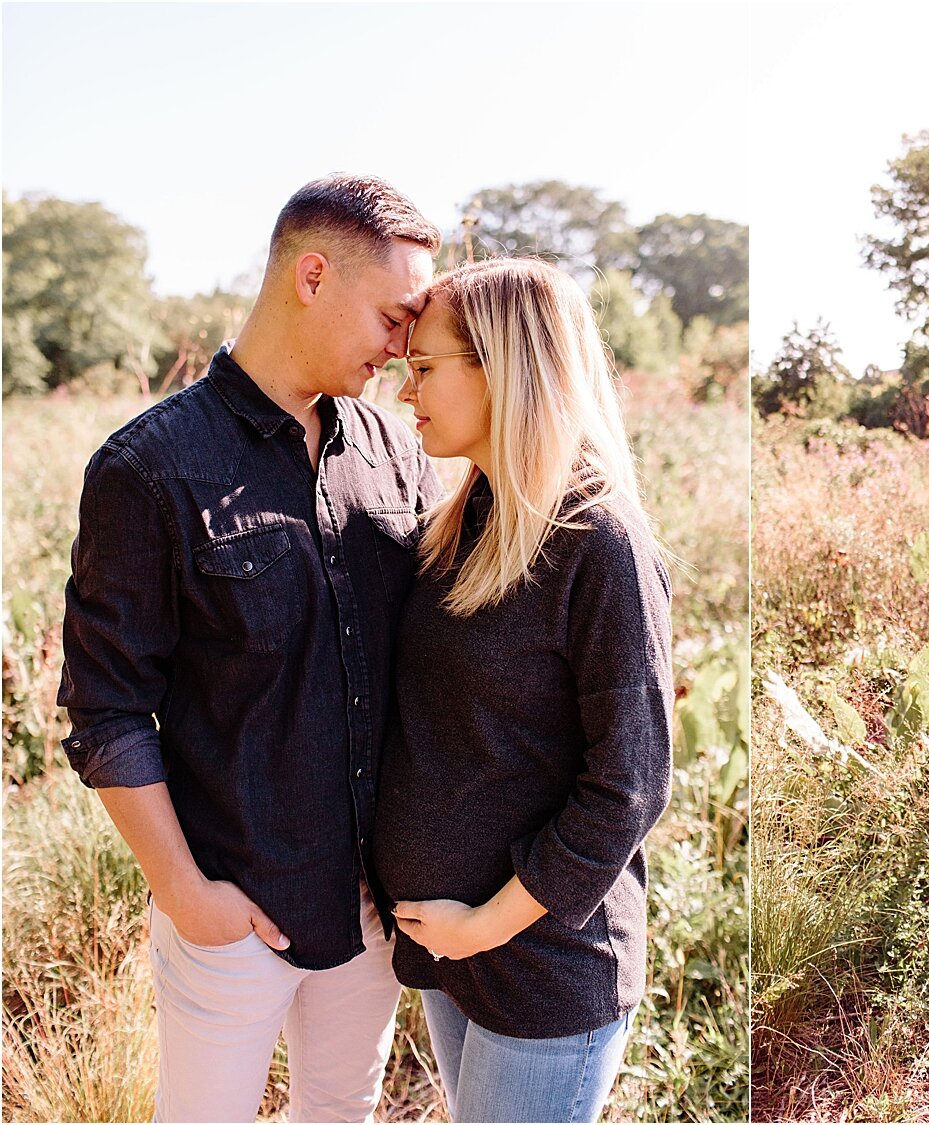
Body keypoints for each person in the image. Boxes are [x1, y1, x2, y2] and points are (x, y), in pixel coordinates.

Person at [58, 174, 444, 1121]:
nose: (402, 351)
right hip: (236, 908)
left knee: (341, 1109)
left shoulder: (396, 450)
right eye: (394, 318)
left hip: (374, 906)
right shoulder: (147, 467)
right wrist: (187, 893)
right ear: (312, 275)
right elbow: (107, 708)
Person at [371, 257, 674, 1124]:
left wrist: (485, 925)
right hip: (453, 951)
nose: (406, 391)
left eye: (425, 367)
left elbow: (630, 786)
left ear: (503, 365)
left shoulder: (598, 543)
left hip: (543, 963)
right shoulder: (465, 517)